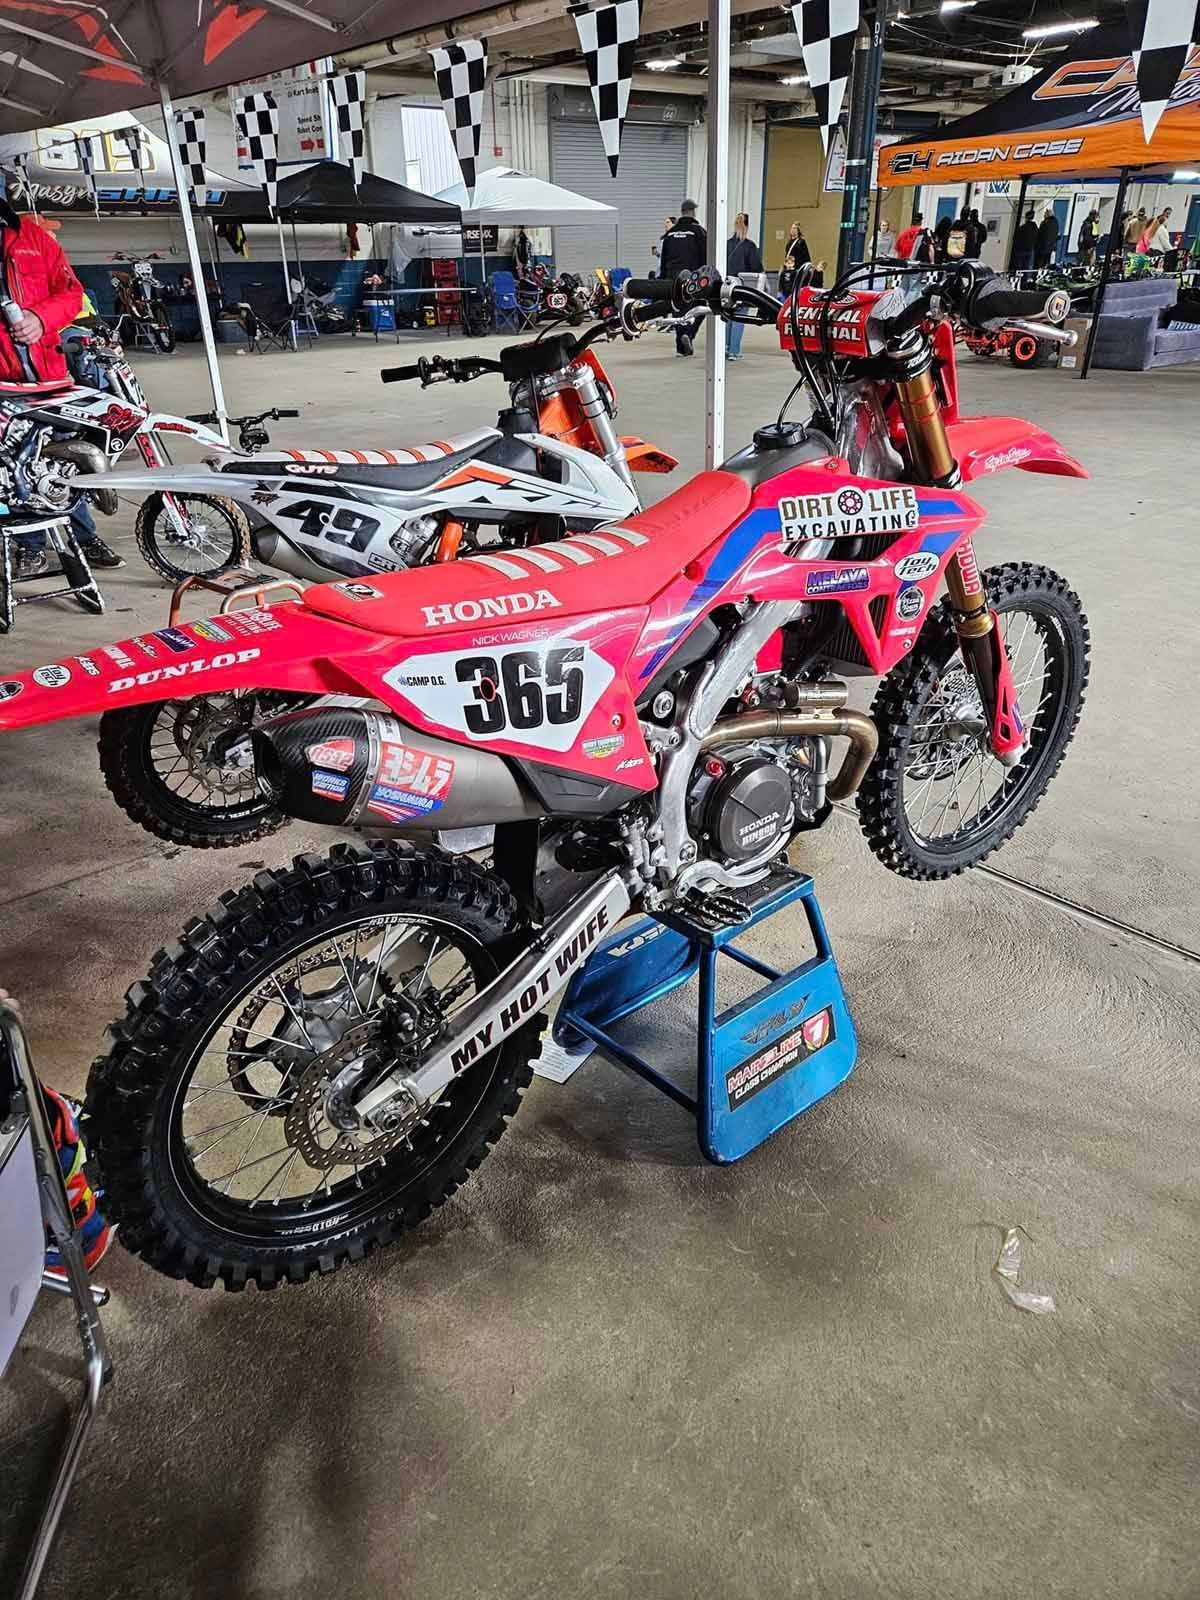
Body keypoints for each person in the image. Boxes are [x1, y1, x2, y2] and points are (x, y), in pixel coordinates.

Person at [0, 182, 122, 578]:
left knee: (68, 458)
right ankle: (30, 545)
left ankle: (83, 535)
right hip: (3, 382)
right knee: (15, 467)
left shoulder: (34, 239)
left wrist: (40, 318)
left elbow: (70, 292)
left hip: (50, 375)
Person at [658, 198, 707, 356]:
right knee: (699, 308)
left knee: (678, 311)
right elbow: (705, 255)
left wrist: (664, 280)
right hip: (692, 276)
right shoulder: (698, 231)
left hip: (673, 277)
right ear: (693, 212)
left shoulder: (670, 233)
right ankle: (689, 334)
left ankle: (681, 347)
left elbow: (664, 258)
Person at [725, 211, 763, 361]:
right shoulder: (750, 246)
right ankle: (734, 351)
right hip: (742, 285)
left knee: (727, 317)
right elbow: (756, 267)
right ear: (746, 226)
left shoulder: (727, 244)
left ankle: (725, 348)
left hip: (726, 285)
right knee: (739, 318)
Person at [778, 221, 810, 294]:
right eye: (792, 228)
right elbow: (787, 255)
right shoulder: (789, 242)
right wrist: (783, 266)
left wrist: (807, 268)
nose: (793, 230)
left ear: (798, 230)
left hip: (797, 268)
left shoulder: (801, 242)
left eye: (795, 228)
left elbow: (806, 255)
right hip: (789, 267)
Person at [1012, 208, 1038, 273]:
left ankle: (1017, 281)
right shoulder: (1035, 228)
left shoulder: (1023, 227)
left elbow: (1015, 238)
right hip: (1030, 250)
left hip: (1020, 250)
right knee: (1027, 268)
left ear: (1026, 218)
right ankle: (1024, 281)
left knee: (1018, 268)